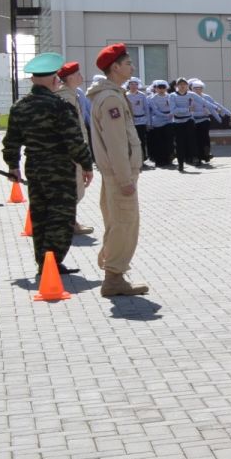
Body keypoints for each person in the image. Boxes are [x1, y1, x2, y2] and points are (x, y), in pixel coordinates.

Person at [3, 53, 95, 274]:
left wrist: (12, 165)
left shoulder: (20, 106)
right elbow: (74, 140)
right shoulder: (60, 106)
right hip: (59, 168)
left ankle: (42, 261)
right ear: (54, 79)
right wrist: (86, 164)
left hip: (34, 166)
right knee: (61, 215)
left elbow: (11, 140)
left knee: (40, 213)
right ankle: (51, 262)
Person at [87, 44, 150, 297]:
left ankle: (112, 270)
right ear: (115, 67)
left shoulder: (111, 94)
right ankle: (113, 277)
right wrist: (125, 178)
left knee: (117, 222)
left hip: (115, 174)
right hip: (119, 175)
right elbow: (116, 144)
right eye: (128, 64)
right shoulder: (111, 98)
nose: (132, 68)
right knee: (125, 224)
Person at [55, 62, 94, 233]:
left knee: (75, 188)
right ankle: (70, 223)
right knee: (75, 189)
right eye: (78, 74)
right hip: (72, 152)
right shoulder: (66, 96)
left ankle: (68, 221)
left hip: (75, 150)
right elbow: (72, 129)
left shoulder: (72, 94)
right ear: (70, 78)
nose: (81, 77)